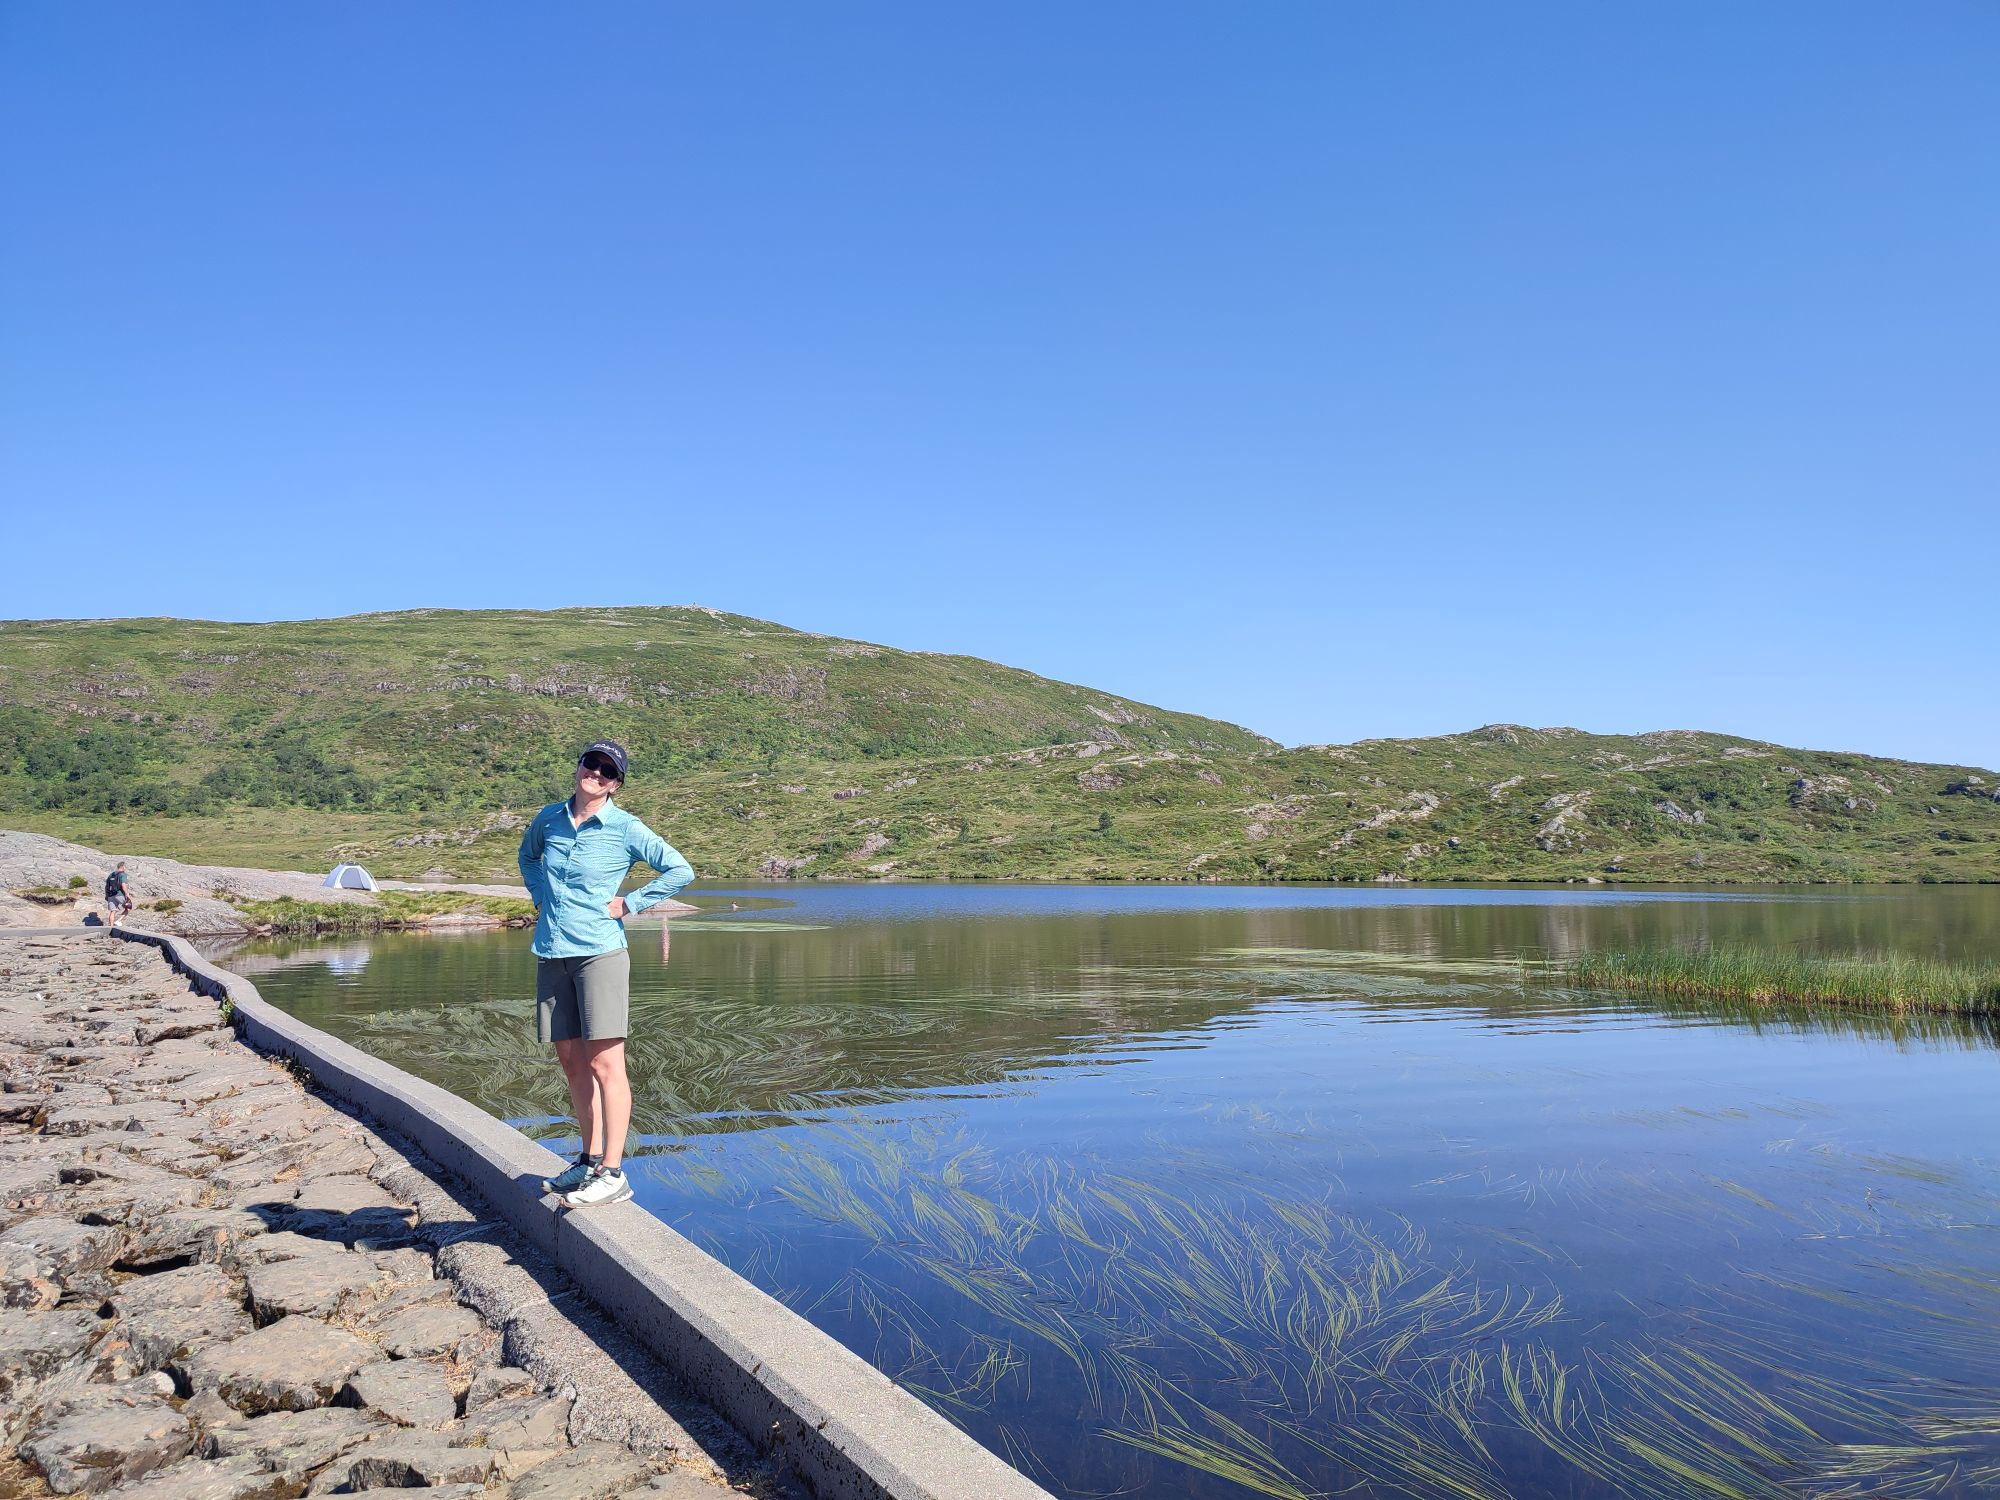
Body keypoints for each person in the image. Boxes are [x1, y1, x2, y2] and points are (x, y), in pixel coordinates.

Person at [517, 739, 693, 1208]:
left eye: (607, 771)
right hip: (552, 951)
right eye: (590, 764)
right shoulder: (549, 819)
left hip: (600, 953)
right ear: (578, 767)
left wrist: (631, 903)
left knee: (605, 1064)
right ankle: (589, 1160)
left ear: (616, 784)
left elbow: (680, 869)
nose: (595, 774)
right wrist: (539, 894)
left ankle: (613, 1174)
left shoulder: (625, 827)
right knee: (572, 1062)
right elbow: (527, 858)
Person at [103, 862, 134, 928]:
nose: (126, 868)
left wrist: (107, 895)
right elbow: (123, 885)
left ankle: (111, 927)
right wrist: (127, 894)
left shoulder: (111, 875)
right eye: (125, 867)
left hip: (111, 895)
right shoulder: (123, 874)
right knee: (128, 907)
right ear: (122, 867)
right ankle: (118, 921)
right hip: (119, 894)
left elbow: (107, 886)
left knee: (113, 911)